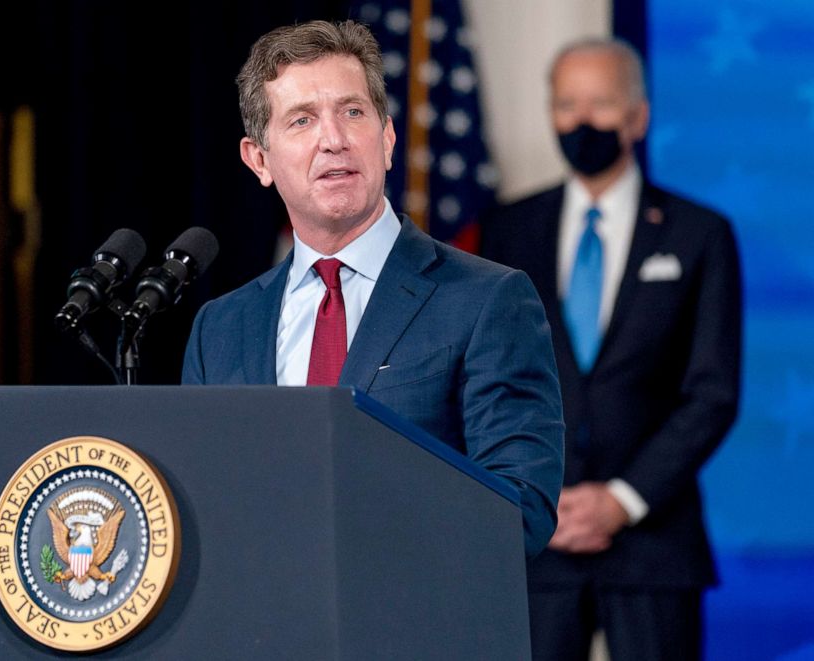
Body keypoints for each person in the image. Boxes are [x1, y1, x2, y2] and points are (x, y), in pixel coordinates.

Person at [181, 19, 564, 558]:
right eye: (302, 120)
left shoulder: (488, 300)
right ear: (259, 160)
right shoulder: (220, 328)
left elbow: (519, 508)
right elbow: (201, 511)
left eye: (353, 112)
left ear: (386, 140)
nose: (333, 140)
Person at [480, 38, 741, 660]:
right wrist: (538, 495)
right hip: (538, 540)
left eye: (599, 103)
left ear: (637, 116)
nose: (581, 120)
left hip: (655, 547)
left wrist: (621, 501)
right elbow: (489, 380)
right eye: (566, 104)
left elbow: (713, 391)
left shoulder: (700, 234)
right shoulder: (507, 230)